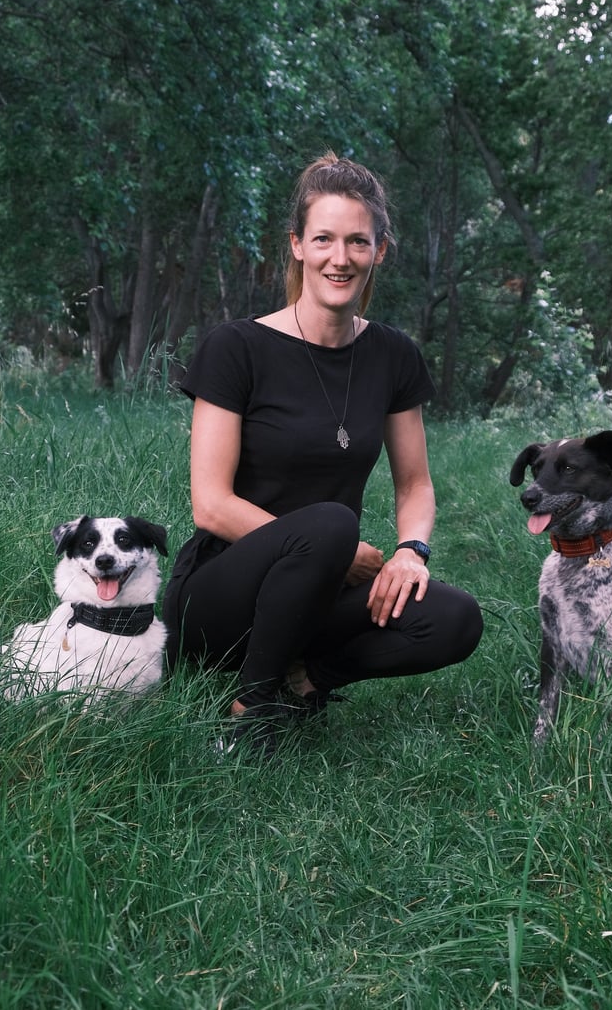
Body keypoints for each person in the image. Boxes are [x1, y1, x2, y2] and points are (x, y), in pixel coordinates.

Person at [163, 151, 483, 756]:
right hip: (221, 594)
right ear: (297, 246)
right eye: (324, 239)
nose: (341, 258)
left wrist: (412, 552)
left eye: (358, 241)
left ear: (379, 250)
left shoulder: (393, 355)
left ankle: (302, 683)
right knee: (333, 524)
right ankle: (248, 711)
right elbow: (210, 505)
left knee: (455, 617)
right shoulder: (237, 347)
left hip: (319, 591)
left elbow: (414, 484)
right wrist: (331, 551)